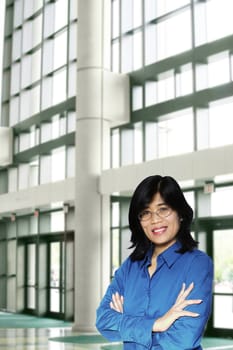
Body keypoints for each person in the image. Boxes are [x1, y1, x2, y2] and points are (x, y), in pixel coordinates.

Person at [96, 175, 213, 350]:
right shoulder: (130, 267)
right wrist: (157, 324)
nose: (155, 220)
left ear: (180, 214)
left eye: (163, 209)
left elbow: (183, 339)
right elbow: (103, 321)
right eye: (145, 213)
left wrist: (128, 324)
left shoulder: (197, 264)